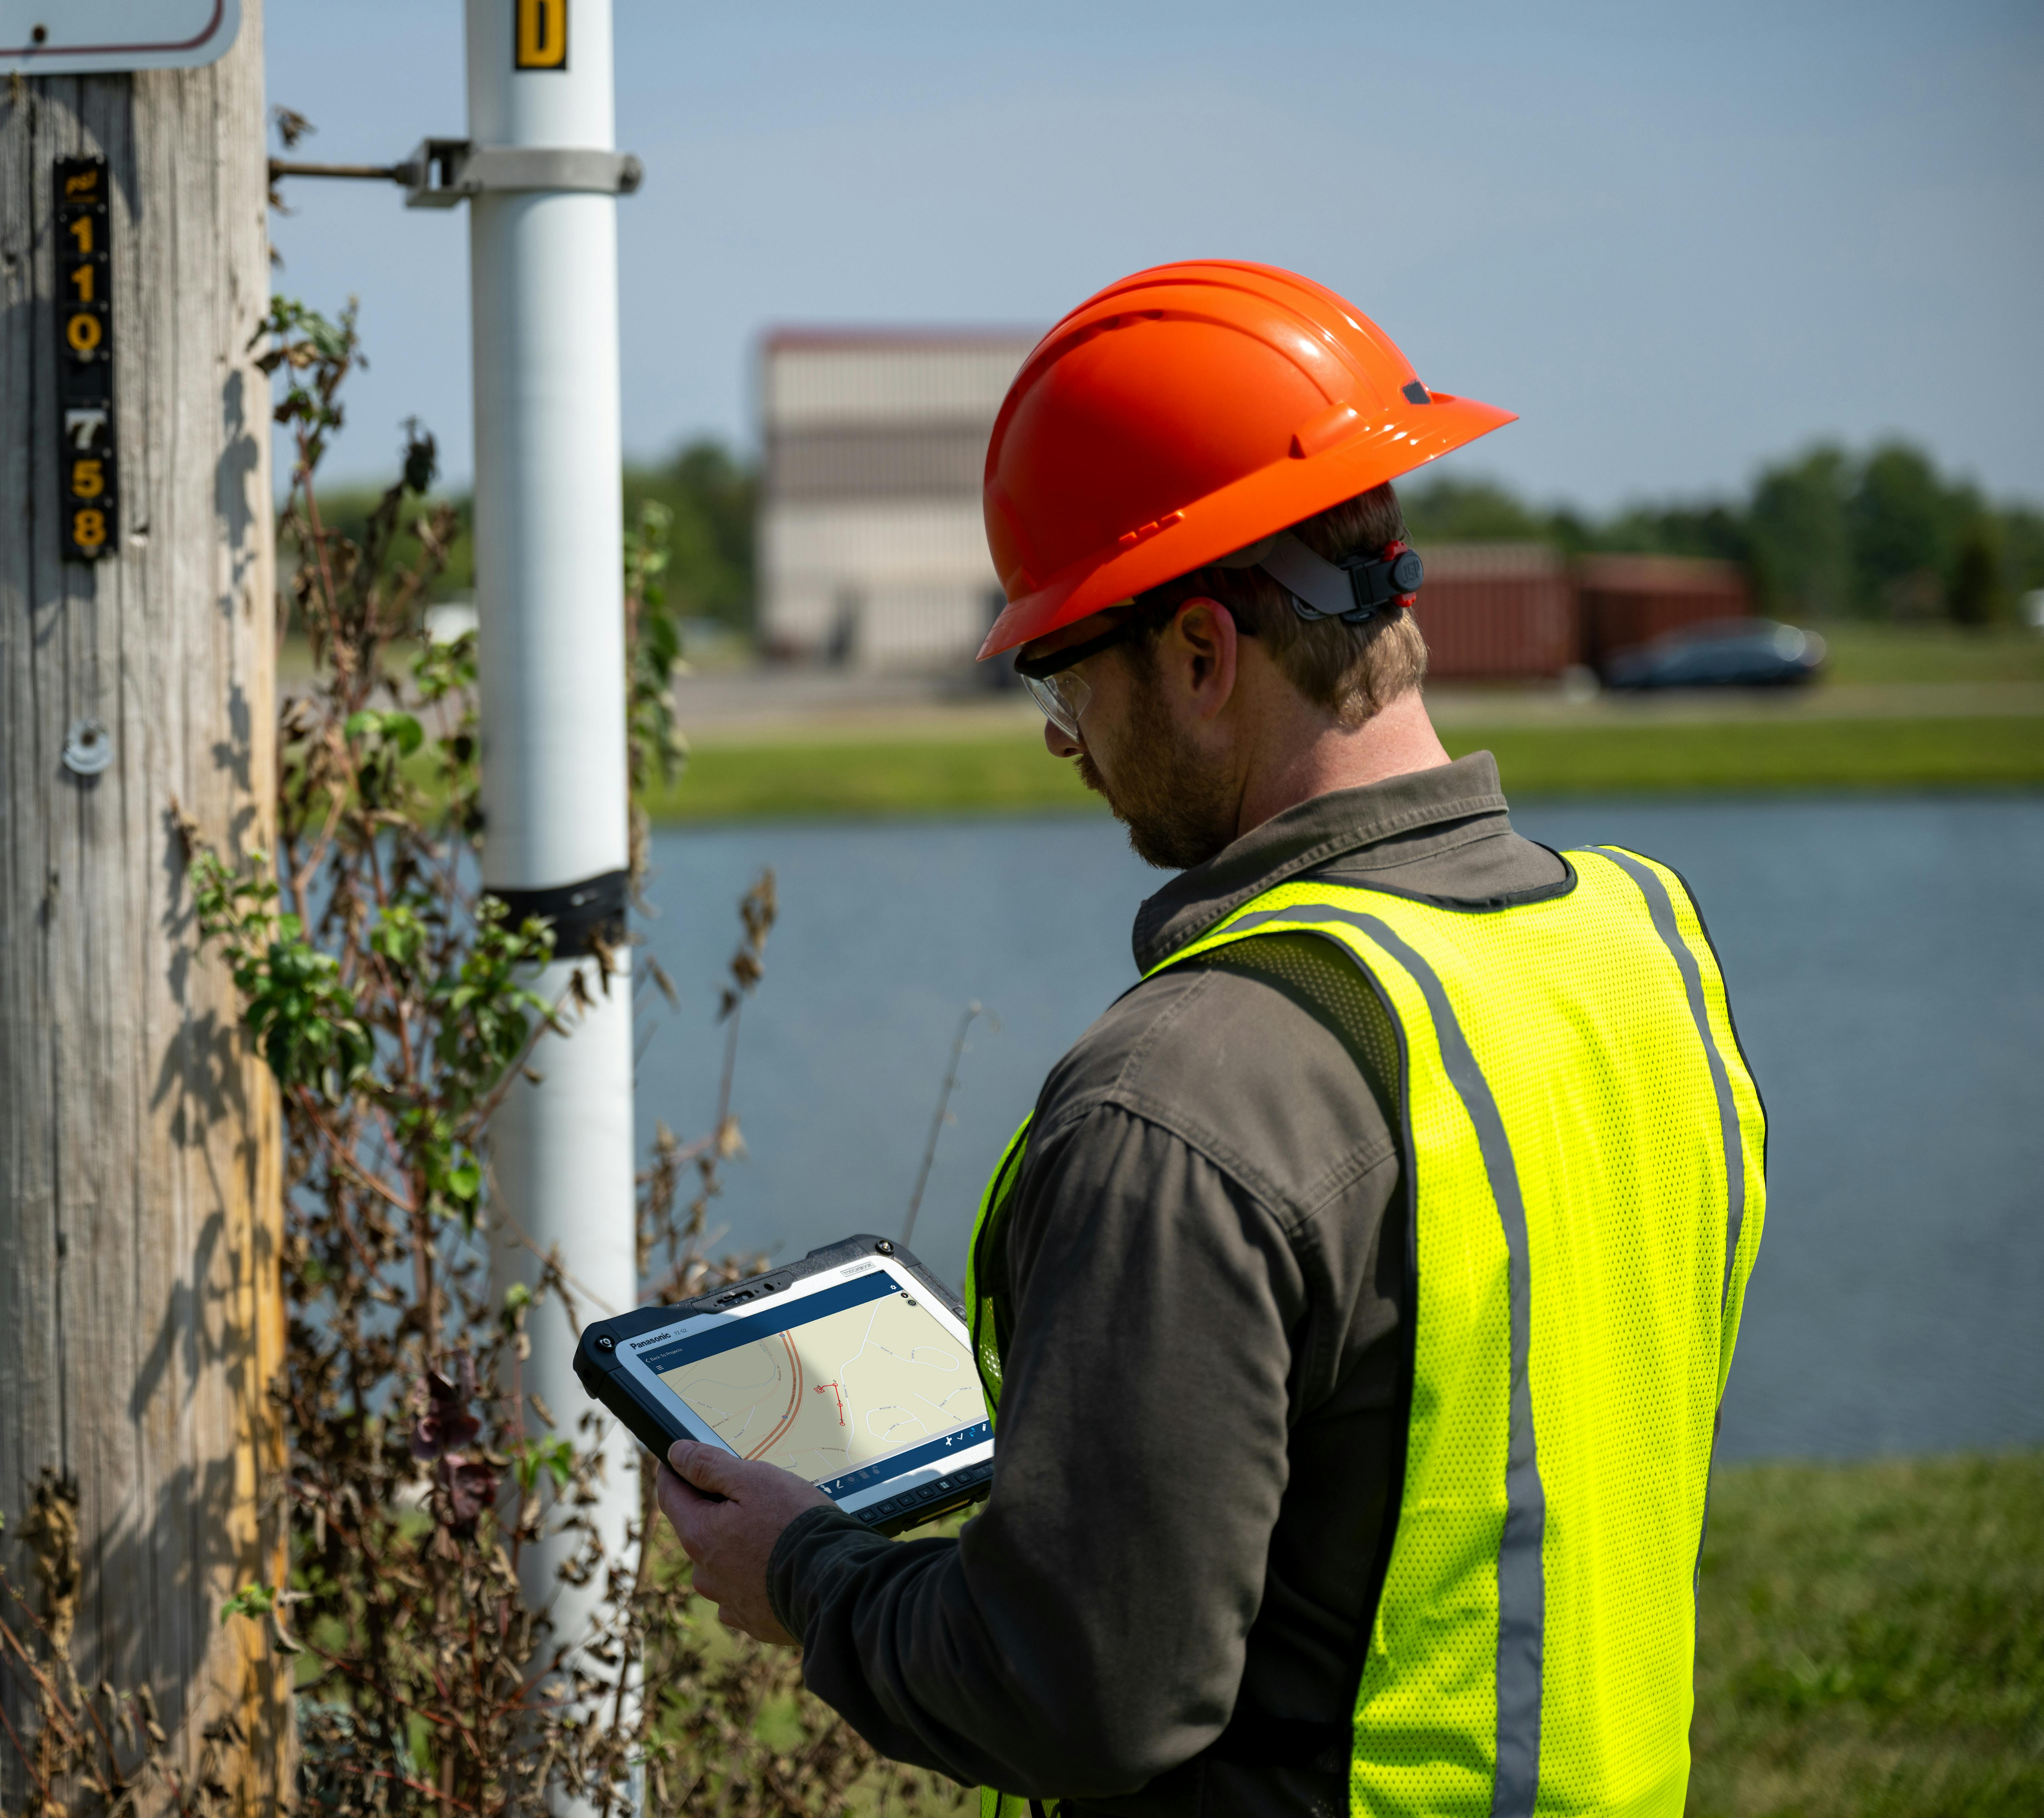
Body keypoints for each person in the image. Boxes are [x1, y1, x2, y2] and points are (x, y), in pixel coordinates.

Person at [655, 262, 1768, 1818]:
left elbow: (1078, 1691)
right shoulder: (1638, 947)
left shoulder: (1180, 1096)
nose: (1059, 738)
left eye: (1060, 671)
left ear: (1196, 652)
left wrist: (804, 1572)